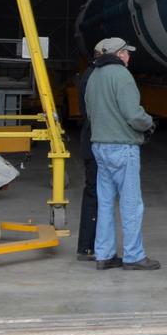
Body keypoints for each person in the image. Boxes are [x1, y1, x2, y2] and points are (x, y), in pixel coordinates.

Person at [84, 37, 159, 271]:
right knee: (131, 204)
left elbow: (89, 111)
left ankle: (104, 255)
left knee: (105, 203)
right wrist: (148, 123)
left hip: (99, 146)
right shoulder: (122, 75)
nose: (129, 56)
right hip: (122, 147)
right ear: (118, 54)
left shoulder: (93, 76)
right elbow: (133, 114)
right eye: (126, 52)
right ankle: (133, 256)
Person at [73, 48, 103, 261]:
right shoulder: (95, 77)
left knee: (94, 192)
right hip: (95, 140)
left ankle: (88, 246)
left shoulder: (88, 74)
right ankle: (88, 246)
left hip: (90, 139)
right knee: (96, 193)